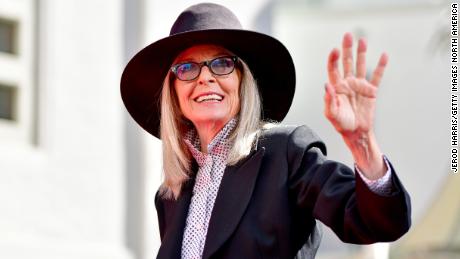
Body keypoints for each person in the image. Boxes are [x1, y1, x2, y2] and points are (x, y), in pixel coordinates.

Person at [120, 3, 411, 259]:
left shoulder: (286, 153)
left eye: (222, 64)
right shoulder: (170, 195)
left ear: (243, 80)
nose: (205, 77)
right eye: (186, 68)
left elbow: (377, 223)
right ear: (174, 93)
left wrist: (362, 143)